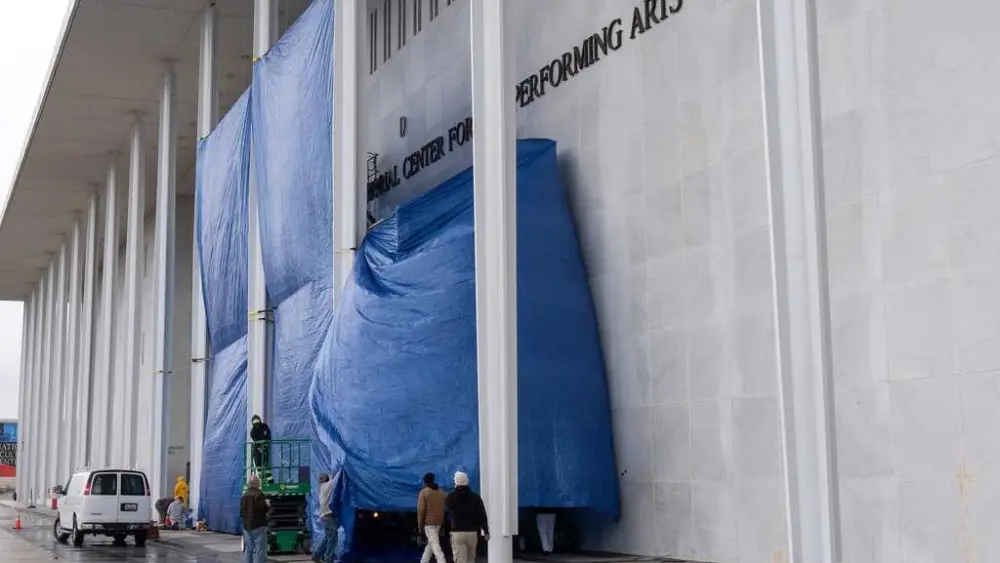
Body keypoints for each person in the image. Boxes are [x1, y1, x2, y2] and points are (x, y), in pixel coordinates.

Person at [446, 471, 488, 563]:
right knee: (470, 560)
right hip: (472, 533)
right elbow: (482, 515)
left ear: (455, 482)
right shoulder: (475, 497)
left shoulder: (451, 497)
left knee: (460, 560)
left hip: (457, 532)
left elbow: (448, 512)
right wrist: (486, 531)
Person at [417, 473, 447, 563]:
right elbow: (445, 506)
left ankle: (442, 561)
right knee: (431, 544)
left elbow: (421, 511)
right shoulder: (441, 492)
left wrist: (420, 526)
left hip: (429, 523)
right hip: (439, 522)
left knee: (435, 546)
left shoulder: (424, 493)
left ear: (425, 481)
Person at [240, 475, 270, 563]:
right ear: (256, 483)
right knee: (260, 549)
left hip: (246, 526)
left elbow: (241, 511)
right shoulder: (259, 494)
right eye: (259, 481)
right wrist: (268, 505)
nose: (260, 483)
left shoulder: (244, 495)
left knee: (248, 549)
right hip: (258, 525)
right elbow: (262, 509)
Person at [312, 472, 339, 563]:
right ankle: (328, 558)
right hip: (328, 515)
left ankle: (316, 555)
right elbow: (335, 480)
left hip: (325, 515)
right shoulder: (326, 486)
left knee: (328, 537)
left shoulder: (322, 487)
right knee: (333, 537)